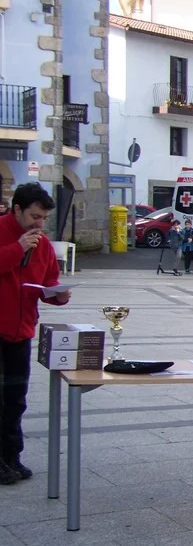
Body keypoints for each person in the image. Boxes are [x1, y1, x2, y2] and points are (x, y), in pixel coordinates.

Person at [0, 183, 70, 484]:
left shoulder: (42, 244)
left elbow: (48, 280)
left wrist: (58, 294)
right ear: (17, 209)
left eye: (44, 218)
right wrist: (17, 249)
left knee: (16, 398)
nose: (39, 224)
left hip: (22, 329)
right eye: (34, 217)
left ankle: (11, 456)